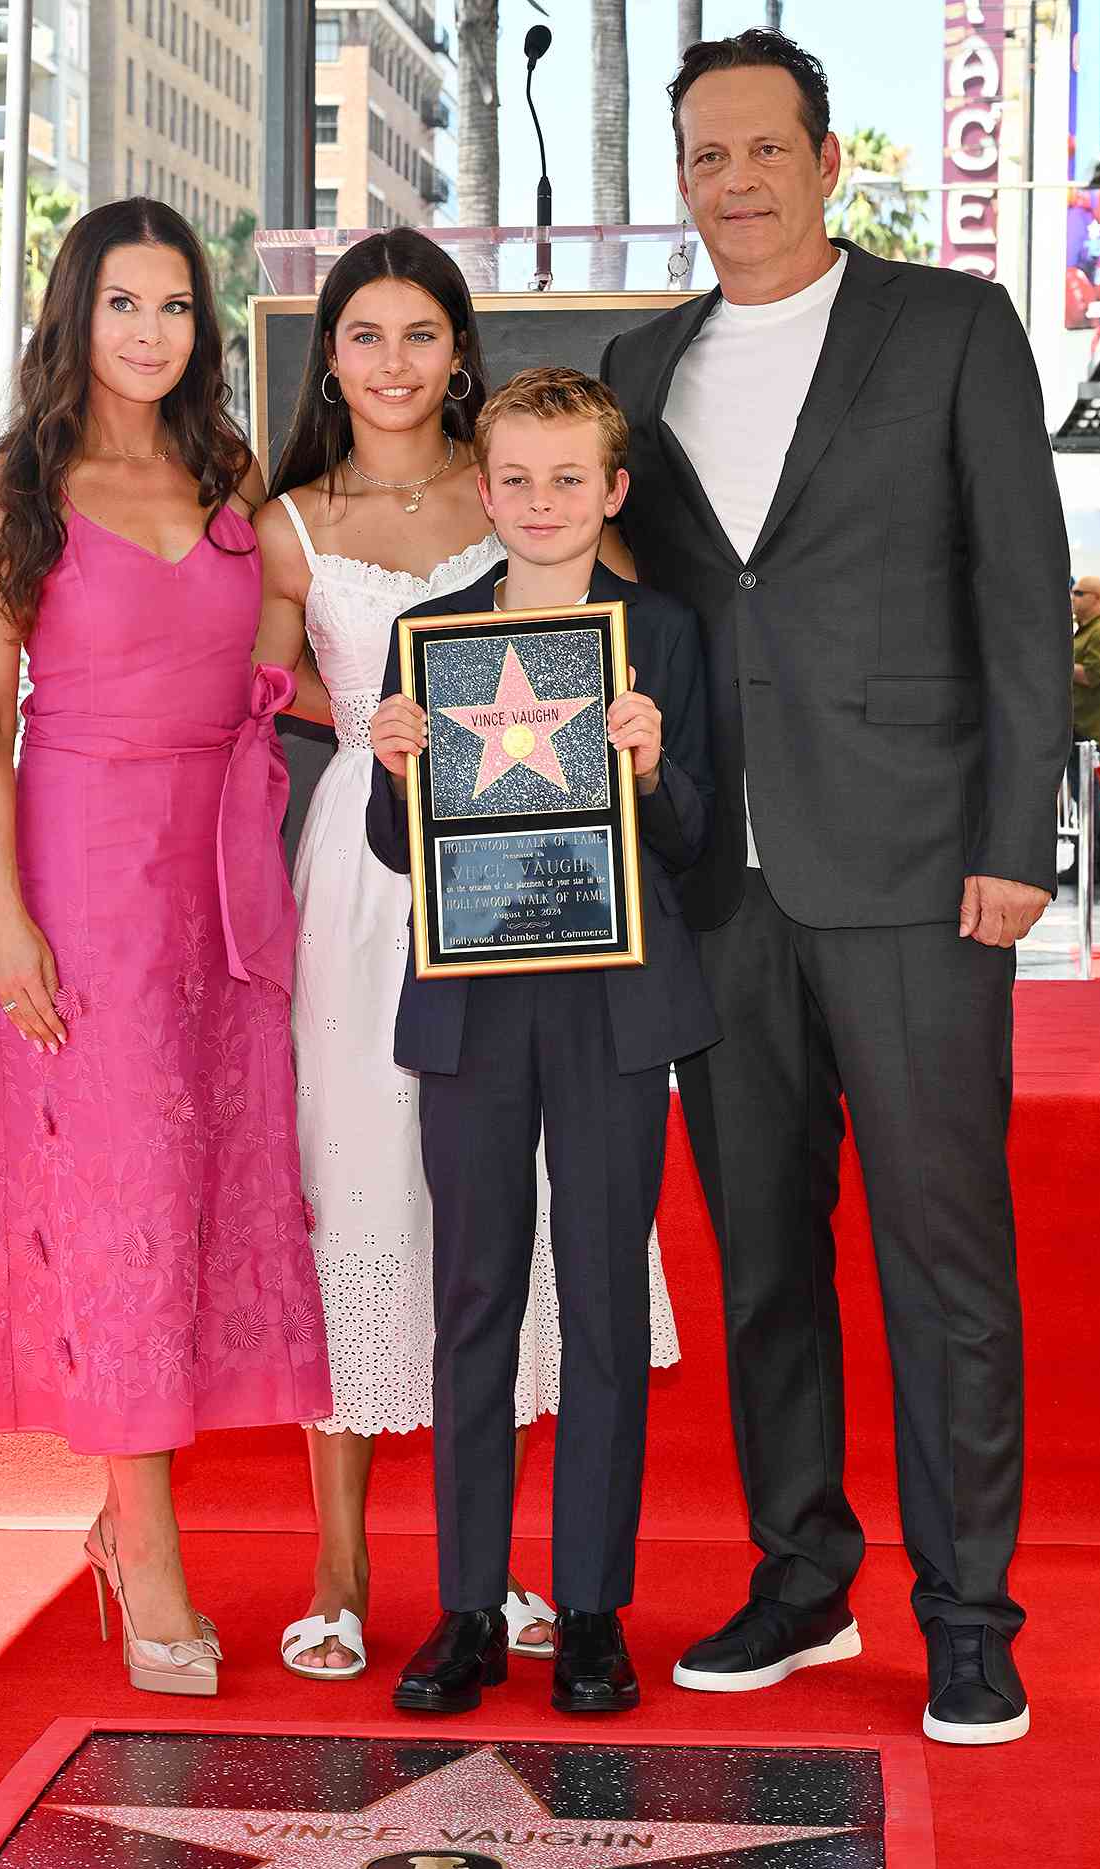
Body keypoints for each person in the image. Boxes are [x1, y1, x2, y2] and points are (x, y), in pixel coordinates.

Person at [601, 29, 1071, 1744]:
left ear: (826, 159)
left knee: (946, 1252)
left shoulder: (949, 324)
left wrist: (1020, 839)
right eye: (706, 155)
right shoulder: (642, 362)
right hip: (714, 872)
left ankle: (969, 1615)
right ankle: (802, 1577)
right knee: (760, 1257)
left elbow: (1026, 589)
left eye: (763, 149)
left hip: (921, 864)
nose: (735, 179)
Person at [254, 233, 683, 1680]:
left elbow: (657, 773)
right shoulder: (298, 527)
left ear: (459, 351)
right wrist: (378, 750)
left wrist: (643, 767)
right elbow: (282, 701)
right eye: (363, 334)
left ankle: (567, 1592)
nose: (391, 360)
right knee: (407, 1232)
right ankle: (385, 1579)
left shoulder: (578, 545)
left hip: (576, 936)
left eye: (420, 331)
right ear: (330, 354)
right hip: (393, 919)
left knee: (569, 1263)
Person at [0, 198, 331, 1699]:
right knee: (118, 1206)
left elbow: (286, 624)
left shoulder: (230, 469)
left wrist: (301, 675)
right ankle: (142, 1546)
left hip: (228, 870)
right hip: (88, 874)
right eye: (125, 303)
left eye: (178, 307)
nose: (154, 332)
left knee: (211, 1187)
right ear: (73, 314)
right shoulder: (14, 490)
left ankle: (153, 1525)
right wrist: (7, 921)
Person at [367, 368, 717, 1716]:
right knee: (474, 1298)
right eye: (517, 478)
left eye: (570, 478)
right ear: (484, 487)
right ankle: (463, 1605)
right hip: (472, 1004)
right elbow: (406, 854)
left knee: (607, 1303)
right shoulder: (429, 635)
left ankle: (589, 1608)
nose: (543, 501)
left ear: (613, 492)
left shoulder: (664, 635)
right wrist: (396, 770)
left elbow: (698, 843)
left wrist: (651, 767)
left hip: (619, 1002)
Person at [1060, 577, 1100, 887]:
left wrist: (1057, 664)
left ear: (1097, 598)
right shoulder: (1090, 629)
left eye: (1079, 593)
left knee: (1091, 801)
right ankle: (1091, 862)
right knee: (1088, 800)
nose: (1073, 598)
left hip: (1091, 732)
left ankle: (1094, 862)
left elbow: (1094, 675)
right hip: (1083, 729)